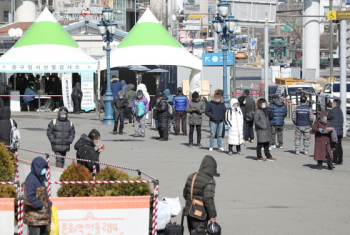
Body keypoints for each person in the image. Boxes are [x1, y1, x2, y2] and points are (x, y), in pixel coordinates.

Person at [183, 155, 218, 235]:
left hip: (189, 212)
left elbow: (185, 194)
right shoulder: (210, 180)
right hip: (200, 214)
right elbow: (208, 199)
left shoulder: (192, 176)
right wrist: (212, 215)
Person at [23, 156, 52, 235]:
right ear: (37, 167)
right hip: (34, 218)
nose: (44, 170)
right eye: (43, 168)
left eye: (45, 168)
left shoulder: (40, 178)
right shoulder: (31, 180)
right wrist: (41, 206)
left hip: (42, 217)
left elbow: (42, 195)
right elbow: (29, 198)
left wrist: (48, 203)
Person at [328, 99, 344, 165]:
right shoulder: (340, 111)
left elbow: (328, 117)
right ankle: (340, 160)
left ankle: (334, 160)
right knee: (339, 145)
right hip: (340, 131)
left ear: (335, 104)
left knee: (334, 145)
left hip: (335, 131)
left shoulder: (333, 111)